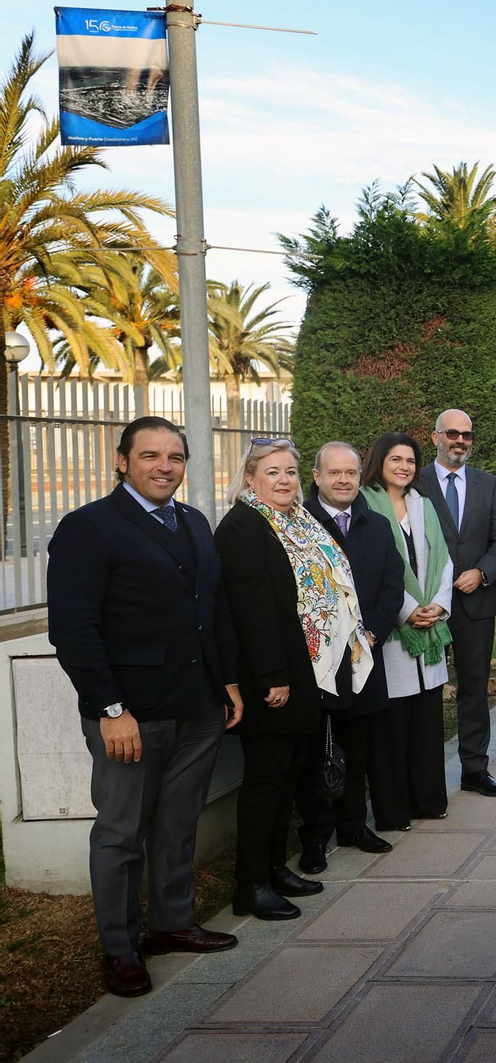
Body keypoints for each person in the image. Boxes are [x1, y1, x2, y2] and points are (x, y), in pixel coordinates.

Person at [47, 417, 244, 997]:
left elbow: (213, 608)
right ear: (122, 460)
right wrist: (111, 710)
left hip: (198, 705)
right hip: (130, 714)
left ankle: (172, 924)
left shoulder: (194, 521)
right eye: (151, 455)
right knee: (120, 833)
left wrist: (227, 683)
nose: (164, 466)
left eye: (175, 456)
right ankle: (120, 947)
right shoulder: (89, 528)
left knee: (178, 822)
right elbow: (74, 630)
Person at [215, 438, 373, 921]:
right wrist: (272, 676)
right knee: (266, 780)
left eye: (289, 472)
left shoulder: (295, 520)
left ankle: (274, 870)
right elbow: (252, 610)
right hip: (274, 678)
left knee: (287, 779)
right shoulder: (243, 525)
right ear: (250, 478)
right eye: (272, 472)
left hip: (305, 673)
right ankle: (251, 884)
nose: (283, 480)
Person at [301, 441, 405, 869]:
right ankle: (315, 836)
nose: (343, 480)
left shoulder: (377, 525)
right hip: (318, 661)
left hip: (365, 655)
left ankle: (353, 825)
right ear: (317, 476)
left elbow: (390, 588)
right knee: (317, 749)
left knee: (358, 746)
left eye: (350, 473)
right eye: (334, 473)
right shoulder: (300, 525)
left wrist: (372, 632)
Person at [416, 408, 496, 798]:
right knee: (423, 694)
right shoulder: (413, 481)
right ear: (436, 436)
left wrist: (482, 573)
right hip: (426, 607)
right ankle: (423, 776)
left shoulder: (490, 485)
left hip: (475, 603)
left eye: (467, 435)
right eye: (453, 434)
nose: (460, 441)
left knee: (474, 688)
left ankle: (475, 769)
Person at [360, 432, 454, 826]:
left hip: (430, 627)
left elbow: (444, 560)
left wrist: (439, 605)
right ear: (379, 462)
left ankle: (428, 800)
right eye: (395, 459)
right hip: (394, 632)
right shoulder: (366, 504)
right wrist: (408, 609)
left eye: (410, 461)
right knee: (391, 729)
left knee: (426, 724)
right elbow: (373, 570)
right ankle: (394, 809)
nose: (404, 467)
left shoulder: (424, 504)